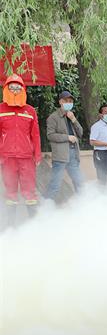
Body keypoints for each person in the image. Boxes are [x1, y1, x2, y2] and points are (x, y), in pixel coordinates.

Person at [0, 74, 41, 227]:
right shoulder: (1, 109)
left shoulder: (30, 111)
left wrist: (37, 155)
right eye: (12, 87)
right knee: (10, 192)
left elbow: (35, 135)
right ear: (6, 89)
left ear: (23, 90)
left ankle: (34, 225)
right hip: (7, 158)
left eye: (18, 88)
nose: (15, 90)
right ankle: (11, 226)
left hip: (26, 158)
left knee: (29, 191)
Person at [45, 90, 84, 199]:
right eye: (66, 101)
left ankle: (82, 206)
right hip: (60, 156)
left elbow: (80, 133)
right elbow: (50, 135)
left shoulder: (71, 116)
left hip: (73, 155)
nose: (69, 103)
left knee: (79, 183)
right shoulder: (53, 117)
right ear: (61, 102)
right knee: (55, 185)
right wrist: (67, 137)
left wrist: (74, 119)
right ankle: (46, 207)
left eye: (71, 101)